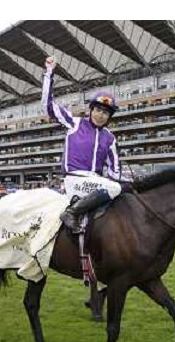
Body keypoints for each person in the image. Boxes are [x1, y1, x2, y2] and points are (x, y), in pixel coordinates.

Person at [41, 56, 125, 232]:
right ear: (91, 110)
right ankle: (70, 213)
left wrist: (118, 180)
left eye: (105, 113)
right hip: (75, 179)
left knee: (121, 188)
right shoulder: (75, 122)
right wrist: (49, 73)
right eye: (98, 110)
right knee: (116, 187)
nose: (101, 115)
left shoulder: (110, 138)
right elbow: (48, 106)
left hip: (96, 182)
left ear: (109, 117)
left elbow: (114, 168)